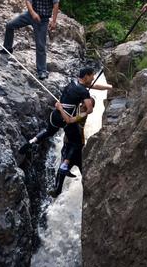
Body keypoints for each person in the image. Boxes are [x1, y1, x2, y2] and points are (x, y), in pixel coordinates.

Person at [19, 67, 112, 197]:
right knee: (75, 146)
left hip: (55, 116)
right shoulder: (82, 97)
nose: (93, 78)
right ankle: (65, 167)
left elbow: (91, 87)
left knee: (49, 132)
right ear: (86, 76)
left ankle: (33, 141)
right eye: (92, 76)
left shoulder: (72, 84)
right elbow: (86, 110)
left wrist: (109, 87)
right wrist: (80, 112)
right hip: (66, 123)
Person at [3, 0, 60, 80]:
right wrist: (33, 13)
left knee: (40, 45)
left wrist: (53, 21)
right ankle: (7, 48)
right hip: (30, 15)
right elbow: (28, 0)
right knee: (10, 25)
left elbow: (56, 3)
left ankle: (42, 70)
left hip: (43, 19)